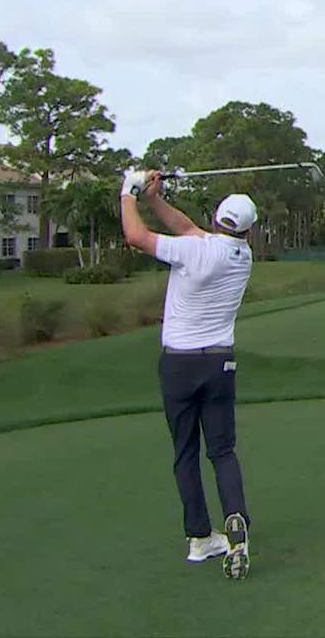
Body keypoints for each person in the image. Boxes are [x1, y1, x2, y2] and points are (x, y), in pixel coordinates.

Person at [120, 169, 256, 579]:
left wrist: (128, 190)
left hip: (178, 364)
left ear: (216, 219)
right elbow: (187, 229)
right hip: (219, 364)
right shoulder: (241, 256)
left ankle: (200, 537)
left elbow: (135, 237)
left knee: (185, 452)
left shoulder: (195, 250)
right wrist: (154, 198)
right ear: (248, 230)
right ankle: (236, 523)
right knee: (222, 451)